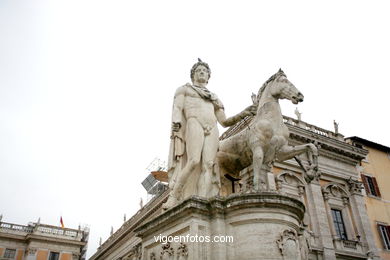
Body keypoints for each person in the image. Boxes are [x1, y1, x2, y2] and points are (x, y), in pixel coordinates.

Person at [163, 59, 256, 209]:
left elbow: (225, 121)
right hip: (194, 122)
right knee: (193, 160)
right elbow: (177, 108)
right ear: (193, 74)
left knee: (208, 165)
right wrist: (176, 122)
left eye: (205, 71)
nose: (202, 72)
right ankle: (174, 197)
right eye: (199, 70)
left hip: (212, 128)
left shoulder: (214, 98)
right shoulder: (184, 89)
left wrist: (244, 113)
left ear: (208, 77)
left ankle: (202, 200)